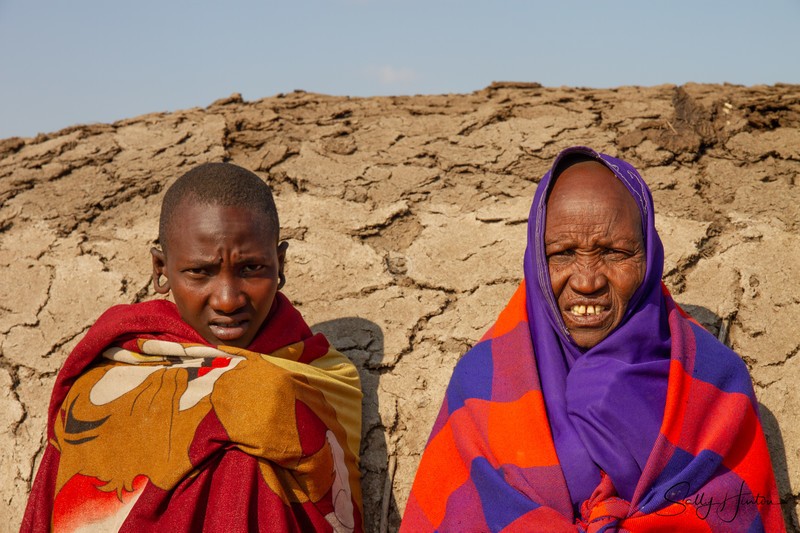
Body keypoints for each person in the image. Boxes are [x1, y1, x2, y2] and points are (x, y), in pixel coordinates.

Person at [401, 146, 784, 532]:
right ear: (536, 259)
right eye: (563, 253)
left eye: (614, 252)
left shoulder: (715, 384)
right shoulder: (483, 383)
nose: (587, 280)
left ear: (649, 258)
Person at [22, 163, 364, 532]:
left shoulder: (321, 374)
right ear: (161, 269)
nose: (228, 299)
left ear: (280, 263)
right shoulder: (106, 383)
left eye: (251, 268)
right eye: (200, 272)